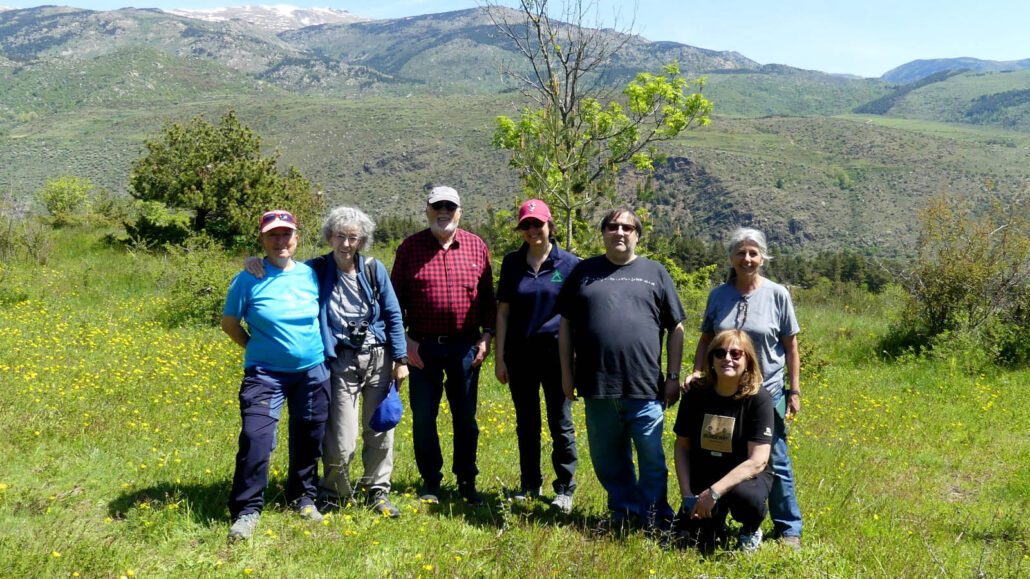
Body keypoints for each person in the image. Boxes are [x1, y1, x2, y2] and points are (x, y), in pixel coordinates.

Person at [248, 207, 409, 517]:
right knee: (341, 436)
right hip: (340, 361)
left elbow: (393, 314)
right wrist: (254, 263)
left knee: (380, 430)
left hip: (378, 357)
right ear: (330, 237)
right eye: (340, 236)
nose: (346, 244)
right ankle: (334, 491)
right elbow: (282, 268)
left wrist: (400, 359)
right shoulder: (315, 270)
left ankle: (378, 491)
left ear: (362, 240)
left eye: (353, 238)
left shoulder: (375, 269)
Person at [557, 207, 685, 529]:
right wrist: (566, 374)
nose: (620, 232)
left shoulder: (655, 272)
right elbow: (566, 326)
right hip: (597, 386)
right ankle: (625, 512)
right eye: (613, 226)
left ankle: (656, 516)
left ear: (637, 235)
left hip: (645, 387)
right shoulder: (584, 273)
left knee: (652, 458)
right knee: (608, 459)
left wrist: (672, 376)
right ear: (603, 233)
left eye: (628, 227)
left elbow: (677, 328)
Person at [687, 227, 803, 549]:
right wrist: (697, 371)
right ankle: (718, 515)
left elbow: (791, 347)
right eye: (741, 253)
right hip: (722, 392)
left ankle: (789, 527)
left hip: (767, 394)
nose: (747, 258)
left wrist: (794, 391)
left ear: (763, 257)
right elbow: (707, 339)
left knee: (774, 459)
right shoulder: (718, 296)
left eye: (753, 253)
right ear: (731, 257)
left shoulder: (777, 294)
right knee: (720, 454)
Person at [221, 209, 330, 541]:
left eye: (286, 234)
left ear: (297, 238)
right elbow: (229, 323)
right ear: (262, 239)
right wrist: (255, 348)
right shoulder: (248, 278)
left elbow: (349, 252)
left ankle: (303, 497)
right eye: (273, 235)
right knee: (256, 439)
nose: (280, 241)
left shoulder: (312, 274)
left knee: (310, 436)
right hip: (265, 375)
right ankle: (247, 510)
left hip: (312, 371)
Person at [390, 186, 495, 505]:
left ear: (460, 211)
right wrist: (405, 343)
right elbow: (393, 303)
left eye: (450, 206)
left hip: (465, 347)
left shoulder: (476, 246)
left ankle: (466, 480)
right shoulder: (410, 248)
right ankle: (431, 482)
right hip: (422, 348)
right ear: (428, 211)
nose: (444, 211)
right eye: (438, 206)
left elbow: (488, 298)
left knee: (466, 419)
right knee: (424, 418)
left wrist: (487, 337)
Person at [495, 199, 579, 513]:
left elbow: (578, 316)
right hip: (519, 356)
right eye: (526, 225)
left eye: (538, 224)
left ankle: (565, 488)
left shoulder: (569, 264)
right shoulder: (512, 263)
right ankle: (530, 484)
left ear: (550, 224)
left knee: (561, 423)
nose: (532, 231)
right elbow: (502, 312)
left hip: (557, 357)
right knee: (526, 423)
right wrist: (500, 358)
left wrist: (577, 360)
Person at [674, 330, 774, 553]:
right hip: (705, 474)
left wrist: (714, 493)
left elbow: (757, 461)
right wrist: (688, 495)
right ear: (711, 359)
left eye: (736, 353)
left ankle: (750, 528)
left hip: (745, 477)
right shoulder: (695, 394)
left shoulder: (759, 399)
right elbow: (682, 447)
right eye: (719, 353)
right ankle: (715, 520)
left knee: (747, 498)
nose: (727, 358)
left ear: (748, 360)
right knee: (686, 542)